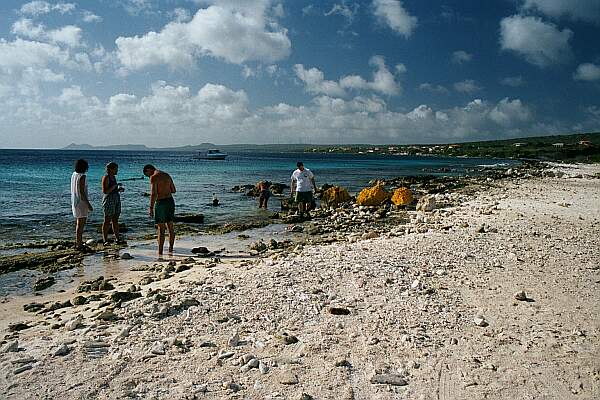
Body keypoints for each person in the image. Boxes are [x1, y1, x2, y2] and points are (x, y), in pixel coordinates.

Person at [143, 164, 176, 256]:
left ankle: (160, 252)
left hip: (161, 203)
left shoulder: (154, 177)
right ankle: (170, 249)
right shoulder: (167, 175)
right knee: (170, 226)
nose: (149, 177)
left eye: (147, 175)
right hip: (170, 201)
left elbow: (154, 194)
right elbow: (173, 190)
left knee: (161, 228)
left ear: (149, 170)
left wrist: (151, 208)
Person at [71, 159, 93, 249]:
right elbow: (82, 192)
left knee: (78, 224)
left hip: (75, 200)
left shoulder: (74, 174)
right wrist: (88, 204)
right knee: (81, 224)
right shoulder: (82, 176)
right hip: (81, 202)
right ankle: (79, 244)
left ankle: (78, 242)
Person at [101, 162, 125, 245]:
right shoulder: (106, 177)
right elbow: (105, 191)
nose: (117, 170)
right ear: (111, 169)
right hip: (109, 200)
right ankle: (105, 240)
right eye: (116, 169)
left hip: (116, 198)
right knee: (107, 220)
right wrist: (114, 186)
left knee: (115, 219)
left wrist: (118, 189)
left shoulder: (113, 177)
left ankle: (117, 239)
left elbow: (112, 189)